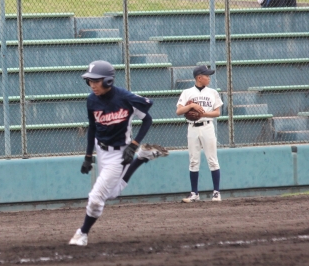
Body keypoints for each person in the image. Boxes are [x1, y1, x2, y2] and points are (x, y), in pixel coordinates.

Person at [69, 61, 169, 247]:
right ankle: (141, 158)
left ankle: (82, 233)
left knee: (96, 198)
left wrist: (134, 145)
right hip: (101, 149)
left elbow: (147, 119)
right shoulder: (92, 100)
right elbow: (92, 128)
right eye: (90, 81)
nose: (92, 85)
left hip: (120, 152)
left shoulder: (125, 98)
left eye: (96, 81)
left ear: (108, 81)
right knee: (112, 193)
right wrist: (88, 156)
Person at [176, 66, 223, 203]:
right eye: (206, 76)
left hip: (207, 126)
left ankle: (216, 192)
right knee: (193, 161)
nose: (209, 78)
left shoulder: (213, 92)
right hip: (192, 128)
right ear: (199, 77)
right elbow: (179, 111)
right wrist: (192, 106)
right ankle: (194, 193)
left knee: (212, 160)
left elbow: (217, 113)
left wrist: (203, 114)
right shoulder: (187, 92)